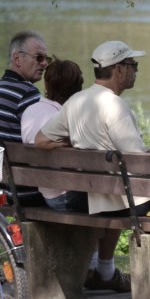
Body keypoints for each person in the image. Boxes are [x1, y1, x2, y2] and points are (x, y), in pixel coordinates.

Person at [35, 40, 150, 292]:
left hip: (91, 200)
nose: (136, 70)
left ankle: (105, 269)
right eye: (134, 64)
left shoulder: (76, 101)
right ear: (119, 69)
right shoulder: (114, 105)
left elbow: (41, 139)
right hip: (121, 204)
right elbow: (139, 161)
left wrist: (75, 143)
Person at [21, 57, 87, 211]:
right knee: (112, 196)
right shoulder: (65, 118)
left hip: (46, 194)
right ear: (78, 89)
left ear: (46, 84)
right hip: (67, 197)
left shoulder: (30, 111)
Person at [0, 30, 51, 142]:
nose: (45, 63)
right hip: (18, 159)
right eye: (39, 57)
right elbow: (43, 138)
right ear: (17, 59)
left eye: (46, 58)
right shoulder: (28, 93)